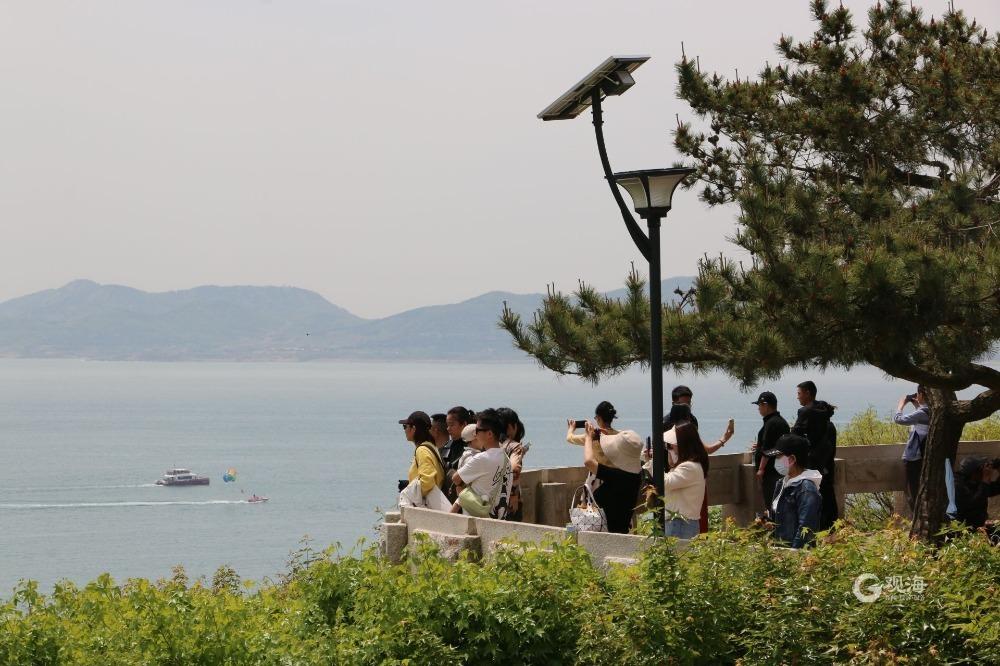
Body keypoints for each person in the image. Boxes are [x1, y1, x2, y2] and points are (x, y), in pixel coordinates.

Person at [582, 417, 643, 534]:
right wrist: (599, 435)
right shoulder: (635, 475)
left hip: (609, 538)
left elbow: (589, 462)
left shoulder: (618, 476)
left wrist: (588, 437)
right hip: (622, 533)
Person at [451, 408, 514, 519]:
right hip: (499, 522)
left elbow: (456, 478)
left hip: (477, 523)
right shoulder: (506, 459)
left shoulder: (482, 458)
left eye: (477, 430)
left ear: (489, 434)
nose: (475, 434)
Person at [792, 380, 838, 529]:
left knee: (811, 497)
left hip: (812, 464)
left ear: (807, 393)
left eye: (799, 394)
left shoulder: (805, 412)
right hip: (827, 463)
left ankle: (811, 529)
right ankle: (831, 529)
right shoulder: (825, 415)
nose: (797, 397)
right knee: (828, 496)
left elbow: (794, 436)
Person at [765, 433, 822, 548]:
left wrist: (793, 555)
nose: (776, 461)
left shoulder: (806, 489)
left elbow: (806, 528)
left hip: (794, 555)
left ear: (792, 459)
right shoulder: (782, 483)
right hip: (779, 551)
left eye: (778, 456)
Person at [661, 422, 709, 539]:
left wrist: (653, 463)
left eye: (673, 444)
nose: (671, 447)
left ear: (683, 444)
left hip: (679, 522)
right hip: (683, 522)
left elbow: (666, 482)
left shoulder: (688, 467)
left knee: (676, 556)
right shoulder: (694, 465)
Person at [893, 386, 930, 512]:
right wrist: (918, 405)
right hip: (925, 456)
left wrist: (901, 405)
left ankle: (917, 519)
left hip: (914, 457)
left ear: (922, 395)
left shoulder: (920, 413)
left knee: (912, 491)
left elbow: (898, 419)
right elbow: (922, 419)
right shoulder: (932, 411)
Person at [752, 391, 790, 510]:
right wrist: (758, 446)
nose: (758, 408)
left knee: (772, 503)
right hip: (781, 469)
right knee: (779, 503)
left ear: (766, 405)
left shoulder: (771, 423)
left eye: (759, 405)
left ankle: (776, 527)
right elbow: (778, 446)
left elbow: (768, 449)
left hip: (771, 472)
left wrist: (761, 469)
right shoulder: (781, 422)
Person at [398, 410, 445, 501]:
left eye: (405, 426)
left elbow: (427, 481)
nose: (404, 430)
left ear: (413, 428)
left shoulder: (422, 450)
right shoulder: (431, 446)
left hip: (427, 507)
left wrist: (407, 494)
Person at [953, 456, 1000, 537]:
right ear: (974, 473)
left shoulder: (975, 482)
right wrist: (985, 480)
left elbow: (997, 487)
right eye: (982, 469)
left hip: (979, 528)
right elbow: (973, 503)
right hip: (964, 531)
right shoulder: (957, 486)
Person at [496, 407, 527, 521]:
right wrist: (513, 495)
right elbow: (514, 470)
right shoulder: (513, 446)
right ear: (510, 426)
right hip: (509, 501)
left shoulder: (493, 444)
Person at [441, 406, 473, 501]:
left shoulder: (473, 447)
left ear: (464, 424)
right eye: (447, 425)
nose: (448, 429)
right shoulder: (447, 446)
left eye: (451, 425)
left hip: (465, 501)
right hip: (447, 499)